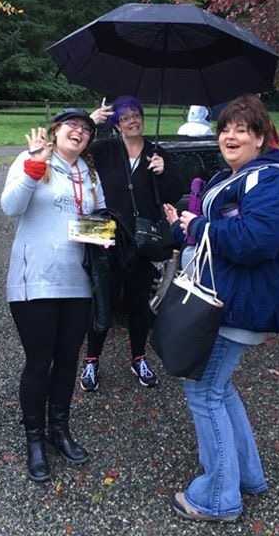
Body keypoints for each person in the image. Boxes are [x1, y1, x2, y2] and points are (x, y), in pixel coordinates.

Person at [170, 93, 279, 522]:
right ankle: (247, 475)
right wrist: (184, 227)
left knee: (203, 391)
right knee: (219, 388)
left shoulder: (273, 180)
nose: (230, 136)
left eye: (241, 130)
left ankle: (218, 498)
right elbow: (214, 230)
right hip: (223, 298)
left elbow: (256, 240)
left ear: (261, 137)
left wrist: (202, 226)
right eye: (225, 129)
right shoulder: (238, 176)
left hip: (238, 303)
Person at [0, 108, 105, 482]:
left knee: (66, 361)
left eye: (86, 128)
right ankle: (35, 440)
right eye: (72, 125)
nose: (80, 131)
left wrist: (106, 236)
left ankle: (59, 430)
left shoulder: (90, 174)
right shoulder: (32, 159)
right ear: (56, 130)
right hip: (35, 281)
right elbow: (10, 207)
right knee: (39, 361)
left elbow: (97, 222)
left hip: (77, 282)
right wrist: (33, 168)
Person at [79, 95, 183, 391]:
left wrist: (163, 173)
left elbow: (174, 193)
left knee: (139, 305)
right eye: (124, 117)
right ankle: (91, 360)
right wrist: (90, 122)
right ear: (116, 125)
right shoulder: (104, 149)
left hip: (143, 241)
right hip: (106, 237)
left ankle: (139, 358)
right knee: (102, 302)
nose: (131, 120)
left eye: (135, 114)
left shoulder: (157, 153)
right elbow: (72, 152)